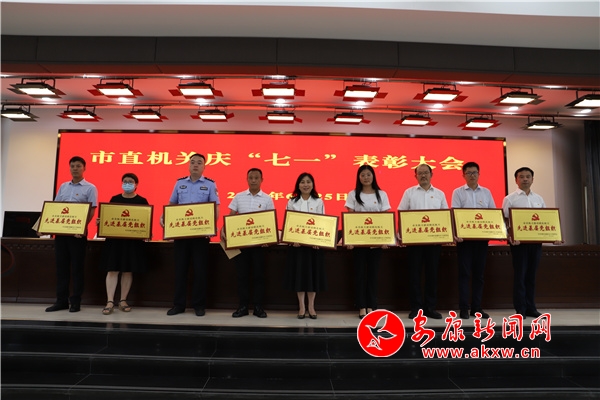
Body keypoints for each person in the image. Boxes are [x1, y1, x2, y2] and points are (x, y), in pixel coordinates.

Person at [164, 153, 220, 317]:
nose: (195, 165)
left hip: (201, 236)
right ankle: (178, 305)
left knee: (200, 271)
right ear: (188, 165)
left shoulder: (210, 184)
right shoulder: (179, 183)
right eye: (193, 162)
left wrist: (211, 226)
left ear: (204, 167)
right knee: (180, 270)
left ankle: (199, 305)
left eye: (199, 163)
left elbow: (215, 207)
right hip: (181, 236)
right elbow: (172, 204)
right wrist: (165, 219)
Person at [45, 156, 98, 313]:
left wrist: (81, 228)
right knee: (61, 268)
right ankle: (61, 301)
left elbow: (92, 211)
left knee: (77, 269)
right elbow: (55, 208)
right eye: (72, 166)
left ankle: (75, 301)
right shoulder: (63, 186)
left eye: (78, 166)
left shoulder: (90, 188)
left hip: (77, 235)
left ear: (84, 168)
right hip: (61, 234)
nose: (75, 168)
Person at [398, 163, 448, 320]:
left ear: (431, 175)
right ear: (416, 176)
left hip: (434, 242)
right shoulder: (409, 193)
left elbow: (445, 216)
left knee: (432, 275)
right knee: (414, 275)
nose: (423, 175)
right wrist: (401, 235)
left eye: (426, 172)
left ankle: (430, 308)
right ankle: (416, 308)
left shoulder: (440, 194)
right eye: (420, 173)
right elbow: (401, 213)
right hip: (414, 242)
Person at [502, 167, 553, 319]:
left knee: (531, 276)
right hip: (519, 244)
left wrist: (553, 236)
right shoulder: (510, 199)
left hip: (536, 243)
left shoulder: (539, 199)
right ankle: (520, 309)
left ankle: (531, 307)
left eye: (528, 176)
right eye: (521, 176)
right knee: (520, 276)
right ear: (516, 180)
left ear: (532, 179)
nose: (525, 179)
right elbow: (504, 221)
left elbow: (545, 219)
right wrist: (509, 236)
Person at [345, 165, 391, 319]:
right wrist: (349, 239)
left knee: (373, 275)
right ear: (359, 177)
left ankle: (371, 305)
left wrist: (386, 240)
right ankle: (361, 306)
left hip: (376, 243)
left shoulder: (382, 194)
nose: (366, 177)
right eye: (363, 175)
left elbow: (385, 218)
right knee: (359, 275)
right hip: (358, 243)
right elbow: (350, 218)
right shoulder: (353, 194)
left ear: (373, 176)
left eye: (368, 174)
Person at [227, 168, 275, 318]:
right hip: (241, 245)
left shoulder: (267, 199)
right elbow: (231, 217)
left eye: (256, 178)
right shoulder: (239, 197)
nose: (253, 180)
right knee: (242, 276)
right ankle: (243, 307)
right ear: (247, 179)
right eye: (251, 178)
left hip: (259, 246)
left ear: (262, 180)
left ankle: (258, 307)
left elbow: (270, 221)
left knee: (259, 276)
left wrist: (268, 239)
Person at [99, 173, 149, 315]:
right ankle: (109, 301)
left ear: (136, 184)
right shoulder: (115, 199)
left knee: (127, 270)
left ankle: (123, 300)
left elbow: (145, 220)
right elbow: (109, 217)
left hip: (132, 242)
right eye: (125, 181)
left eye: (130, 181)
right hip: (115, 240)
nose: (127, 184)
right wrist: (101, 222)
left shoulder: (142, 201)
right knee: (112, 270)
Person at [451, 162, 495, 320]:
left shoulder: (486, 192)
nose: (472, 175)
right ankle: (464, 308)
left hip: (481, 241)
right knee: (464, 274)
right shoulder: (458, 192)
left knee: (479, 275)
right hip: (464, 241)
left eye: (474, 172)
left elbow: (493, 215)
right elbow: (455, 214)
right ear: (463, 175)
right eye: (468, 173)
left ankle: (477, 308)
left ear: (479, 174)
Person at [285, 172, 326, 319]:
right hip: (297, 247)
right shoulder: (292, 202)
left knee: (312, 276)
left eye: (308, 182)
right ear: (298, 185)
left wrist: (317, 241)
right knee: (300, 276)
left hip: (314, 247)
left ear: (313, 184)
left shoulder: (319, 201)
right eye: (302, 182)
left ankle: (311, 306)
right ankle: (302, 306)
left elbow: (322, 222)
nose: (305, 185)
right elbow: (289, 222)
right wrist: (292, 239)